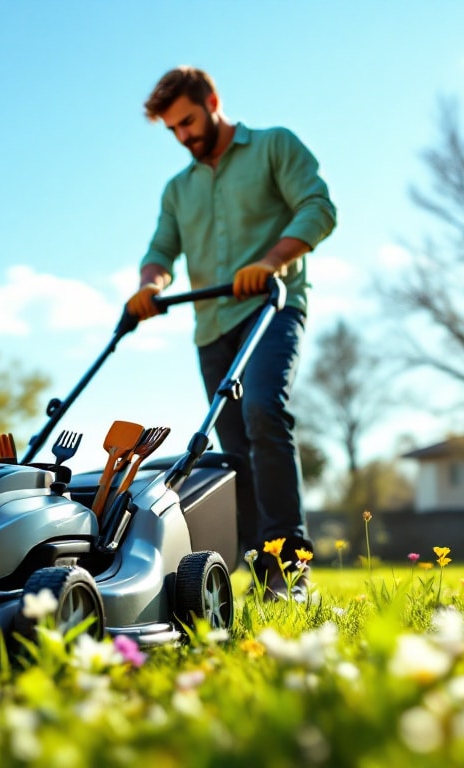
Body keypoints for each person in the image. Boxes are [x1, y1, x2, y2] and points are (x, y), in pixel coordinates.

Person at [125, 66, 336, 601]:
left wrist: (269, 261)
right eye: (173, 130)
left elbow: (318, 207)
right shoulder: (179, 189)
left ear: (212, 101)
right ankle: (261, 571)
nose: (184, 137)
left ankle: (292, 566)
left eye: (189, 122)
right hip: (212, 326)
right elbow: (160, 252)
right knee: (235, 448)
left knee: (265, 409)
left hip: (270, 307)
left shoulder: (273, 147)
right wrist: (151, 285)